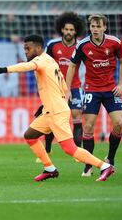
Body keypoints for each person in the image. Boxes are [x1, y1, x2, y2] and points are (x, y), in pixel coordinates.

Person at [0, 34, 114, 182]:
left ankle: (104, 166)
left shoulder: (40, 60)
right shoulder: (51, 61)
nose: (26, 52)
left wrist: (4, 69)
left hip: (56, 111)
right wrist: (47, 103)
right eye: (24, 49)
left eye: (28, 48)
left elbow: (27, 66)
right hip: (52, 109)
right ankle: (50, 169)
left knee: (69, 148)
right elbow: (64, 88)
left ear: (39, 48)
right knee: (30, 135)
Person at [66, 14, 122, 177]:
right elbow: (72, 66)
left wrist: (121, 83)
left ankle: (110, 160)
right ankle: (88, 165)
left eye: (98, 26)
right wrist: (67, 89)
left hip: (110, 89)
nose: (95, 29)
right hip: (92, 89)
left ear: (104, 27)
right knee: (88, 127)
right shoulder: (83, 45)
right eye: (92, 26)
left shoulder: (115, 42)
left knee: (119, 124)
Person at [36, 11, 85, 163]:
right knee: (52, 118)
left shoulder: (81, 46)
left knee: (76, 116)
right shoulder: (52, 45)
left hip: (75, 87)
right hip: (55, 89)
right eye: (66, 29)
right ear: (61, 30)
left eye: (72, 30)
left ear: (76, 30)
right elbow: (43, 62)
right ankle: (48, 150)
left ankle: (78, 153)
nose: (69, 32)